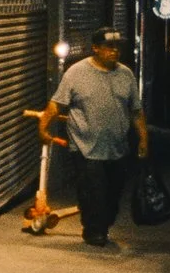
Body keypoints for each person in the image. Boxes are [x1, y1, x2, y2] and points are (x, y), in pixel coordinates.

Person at [37, 29, 151, 250]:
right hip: (85, 146)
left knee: (113, 193)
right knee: (92, 190)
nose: (114, 51)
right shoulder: (76, 73)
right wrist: (43, 127)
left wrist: (144, 139)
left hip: (117, 147)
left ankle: (103, 224)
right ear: (96, 48)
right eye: (109, 47)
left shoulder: (126, 74)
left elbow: (136, 111)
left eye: (117, 47)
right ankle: (94, 231)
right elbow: (57, 104)